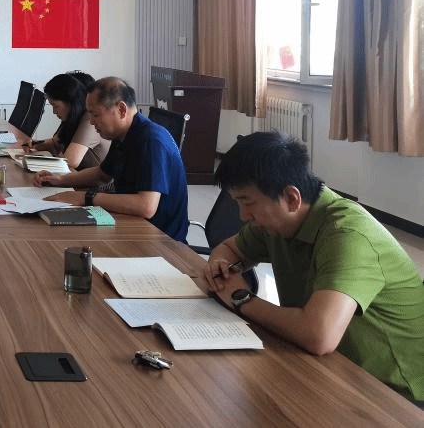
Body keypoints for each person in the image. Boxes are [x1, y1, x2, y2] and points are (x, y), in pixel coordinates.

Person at [202, 131, 424, 404]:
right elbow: (229, 249)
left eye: (248, 203)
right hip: (332, 369)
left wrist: (242, 299)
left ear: (291, 198)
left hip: (397, 396)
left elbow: (319, 335)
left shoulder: (349, 234)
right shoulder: (277, 222)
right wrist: (220, 266)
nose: (243, 216)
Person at [33, 76, 189, 242]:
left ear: (121, 109)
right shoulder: (123, 134)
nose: (91, 122)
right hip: (131, 224)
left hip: (159, 240)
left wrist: (86, 197)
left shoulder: (152, 141)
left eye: (95, 115)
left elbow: (146, 206)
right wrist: (61, 180)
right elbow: (102, 175)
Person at [23, 73, 109, 172]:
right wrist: (33, 145)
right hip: (78, 176)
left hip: (93, 181)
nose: (54, 112)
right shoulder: (72, 119)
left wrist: (36, 160)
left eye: (55, 106)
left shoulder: (89, 120)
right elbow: (55, 143)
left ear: (70, 102)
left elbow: (70, 161)